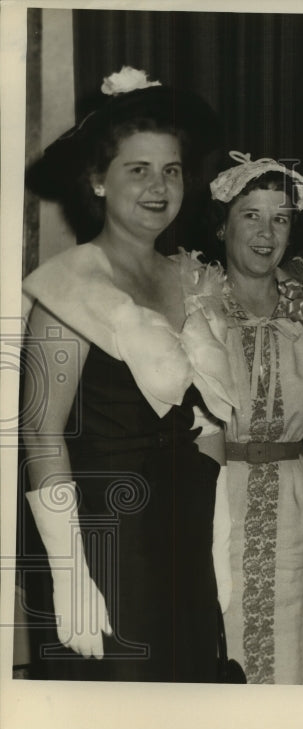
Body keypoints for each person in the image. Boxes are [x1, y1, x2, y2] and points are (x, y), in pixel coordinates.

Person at [20, 67, 236, 682]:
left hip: (184, 530)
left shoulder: (188, 277)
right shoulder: (67, 289)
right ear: (97, 180)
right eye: (136, 169)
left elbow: (205, 419)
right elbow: (41, 435)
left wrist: (217, 541)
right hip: (106, 539)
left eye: (170, 170)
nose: (158, 187)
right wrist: (69, 572)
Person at [208, 151, 303, 685]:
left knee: (289, 656)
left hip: (294, 501)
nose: (266, 232)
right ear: (222, 224)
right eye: (251, 215)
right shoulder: (193, 305)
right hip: (217, 495)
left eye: (281, 218)